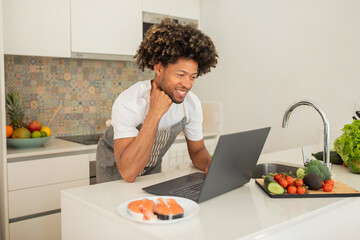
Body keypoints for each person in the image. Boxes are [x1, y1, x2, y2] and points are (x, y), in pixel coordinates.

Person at [96, 18, 218, 183]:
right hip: (114, 180)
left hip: (151, 178)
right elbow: (128, 173)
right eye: (180, 75)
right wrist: (155, 112)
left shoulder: (191, 104)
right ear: (159, 68)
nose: (187, 84)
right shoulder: (130, 102)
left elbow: (197, 152)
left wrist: (210, 165)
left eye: (193, 77)